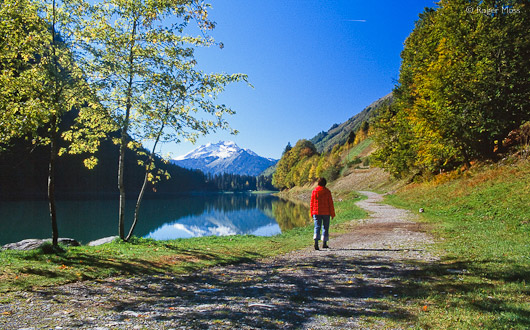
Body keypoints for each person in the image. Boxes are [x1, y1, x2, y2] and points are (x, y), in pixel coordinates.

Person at [310, 177, 335, 250]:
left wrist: (311, 212)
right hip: (326, 212)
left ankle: (316, 242)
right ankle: (324, 243)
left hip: (316, 212)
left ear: (318, 183)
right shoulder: (327, 191)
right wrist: (332, 213)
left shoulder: (314, 191)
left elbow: (312, 203)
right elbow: (330, 203)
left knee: (317, 226)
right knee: (325, 227)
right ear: (325, 183)